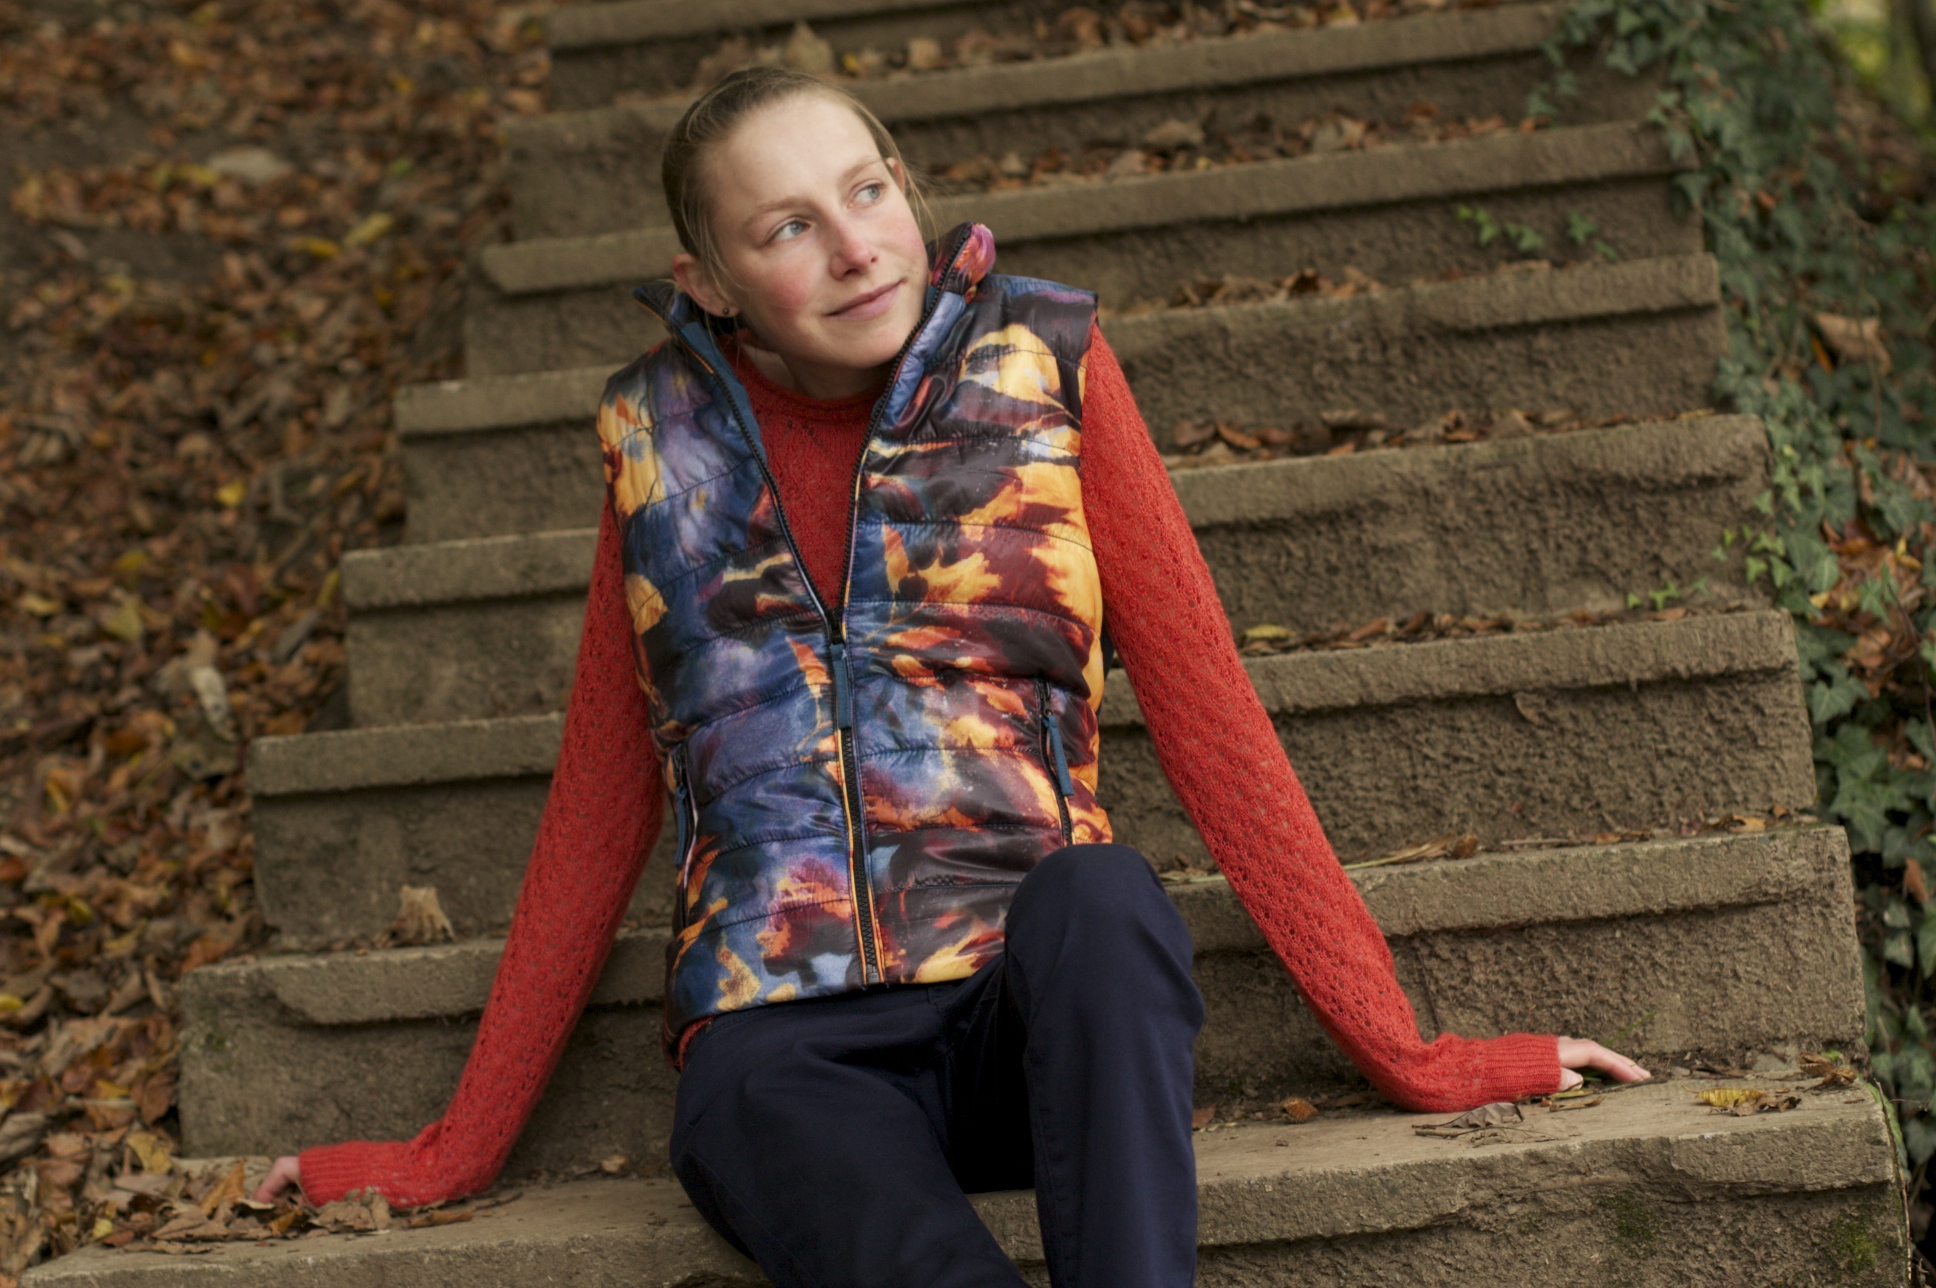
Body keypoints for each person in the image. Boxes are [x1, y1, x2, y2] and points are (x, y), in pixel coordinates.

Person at [254, 66, 1646, 1286]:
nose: (855, 247)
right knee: (780, 1121)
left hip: (1023, 1024)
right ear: (711, 281)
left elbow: (1214, 717)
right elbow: (596, 803)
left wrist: (1417, 1056)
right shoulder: (653, 443)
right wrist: (447, 1153)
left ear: (907, 188)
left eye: (866, 191)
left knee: (1104, 896)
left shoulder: (1045, 366)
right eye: (786, 227)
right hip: (781, 1051)